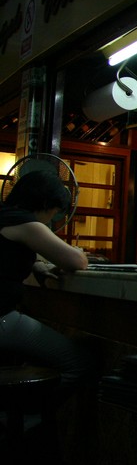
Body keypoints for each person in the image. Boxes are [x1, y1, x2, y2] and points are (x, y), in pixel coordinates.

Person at [0, 169, 94, 397]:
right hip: (2, 317)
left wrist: (36, 265)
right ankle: (29, 414)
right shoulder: (28, 224)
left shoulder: (5, 216)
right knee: (79, 362)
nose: (51, 221)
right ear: (44, 204)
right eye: (54, 213)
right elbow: (77, 261)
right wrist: (77, 251)